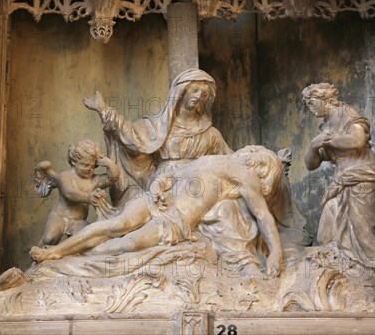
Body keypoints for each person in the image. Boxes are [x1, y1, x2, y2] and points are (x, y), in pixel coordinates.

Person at [84, 69, 263, 272]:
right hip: (166, 185)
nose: (199, 97)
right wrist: (104, 110)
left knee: (229, 209)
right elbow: (132, 136)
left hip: (199, 188)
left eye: (204, 94)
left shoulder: (211, 134)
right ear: (180, 92)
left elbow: (231, 160)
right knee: (131, 229)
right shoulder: (160, 127)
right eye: (194, 90)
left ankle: (244, 264)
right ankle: (87, 251)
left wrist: (263, 161)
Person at [30, 146, 284, 278]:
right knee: (116, 226)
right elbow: (173, 174)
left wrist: (276, 253)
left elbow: (262, 215)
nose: (253, 157)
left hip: (174, 221)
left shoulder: (243, 174)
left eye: (260, 159)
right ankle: (56, 252)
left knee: (126, 243)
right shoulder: (217, 160)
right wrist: (159, 183)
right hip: (158, 198)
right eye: (256, 153)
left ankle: (70, 257)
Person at [302, 83, 375, 304]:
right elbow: (311, 164)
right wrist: (314, 146)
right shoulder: (323, 128)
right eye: (308, 105)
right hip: (342, 183)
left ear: (326, 98)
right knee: (328, 226)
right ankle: (352, 276)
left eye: (312, 103)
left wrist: (328, 140)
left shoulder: (346, 113)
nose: (311, 109)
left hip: (362, 178)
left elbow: (358, 141)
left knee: (365, 232)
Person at [32, 139, 121, 247]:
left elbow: (113, 178)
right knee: (49, 238)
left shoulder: (94, 180)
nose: (90, 169)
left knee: (86, 240)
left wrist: (108, 163)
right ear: (74, 162)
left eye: (93, 166)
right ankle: (36, 259)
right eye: (85, 165)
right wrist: (88, 197)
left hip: (79, 221)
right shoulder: (65, 176)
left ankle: (67, 259)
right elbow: (69, 193)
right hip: (60, 216)